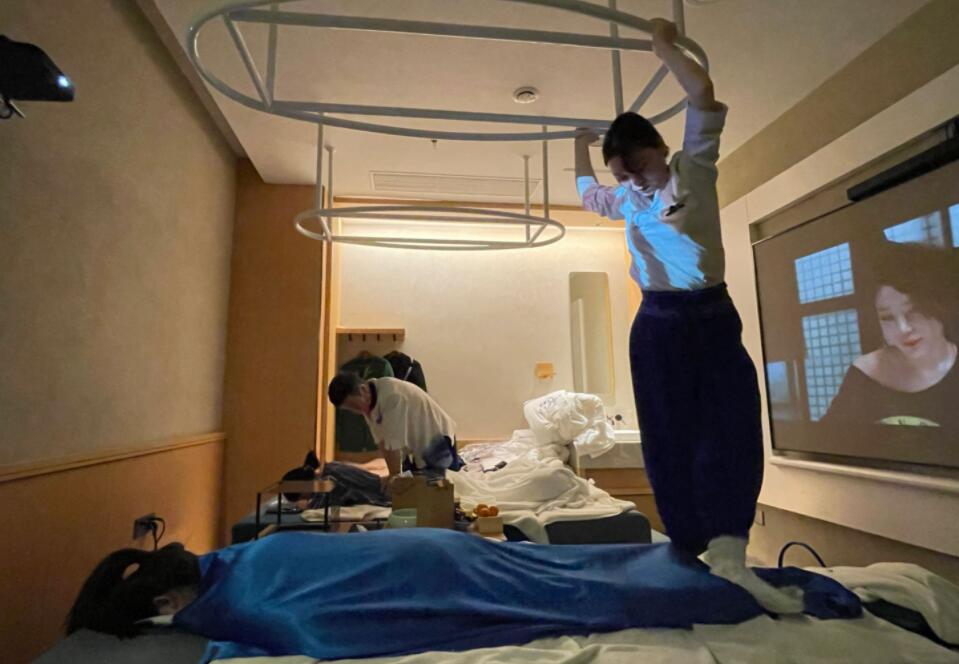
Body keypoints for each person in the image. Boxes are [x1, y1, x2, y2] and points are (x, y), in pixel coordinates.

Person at [573, 19, 803, 613]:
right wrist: (579, 143)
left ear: (660, 149)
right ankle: (688, 545)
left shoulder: (693, 169)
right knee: (667, 433)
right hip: (656, 322)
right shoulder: (626, 197)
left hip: (710, 313)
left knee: (730, 423)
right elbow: (586, 191)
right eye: (623, 174)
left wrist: (663, 48)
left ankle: (728, 548)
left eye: (639, 166)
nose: (634, 180)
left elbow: (702, 96)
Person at [65, 530, 859, 660]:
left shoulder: (244, 609)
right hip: (441, 549)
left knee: (581, 602)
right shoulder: (247, 552)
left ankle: (739, 593)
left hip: (441, 578)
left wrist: (231, 642)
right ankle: (706, 569)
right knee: (577, 570)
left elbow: (330, 634)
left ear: (161, 607)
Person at [824, 241, 958, 426]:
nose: (903, 328)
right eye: (887, 318)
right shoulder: (866, 372)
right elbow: (829, 437)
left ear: (940, 306)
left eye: (913, 311)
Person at [328, 372, 462, 489]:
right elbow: (382, 442)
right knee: (407, 485)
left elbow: (393, 445)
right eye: (350, 409)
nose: (356, 411)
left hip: (438, 441)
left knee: (436, 488)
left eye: (354, 406)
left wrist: (394, 475)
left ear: (362, 390)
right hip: (415, 448)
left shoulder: (392, 396)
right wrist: (392, 475)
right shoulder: (369, 402)